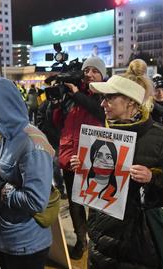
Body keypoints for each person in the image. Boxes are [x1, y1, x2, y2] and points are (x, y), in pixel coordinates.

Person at [71, 61, 163, 268]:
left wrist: (153, 178)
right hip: (100, 239)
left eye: (110, 98)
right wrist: (83, 166)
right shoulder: (100, 134)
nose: (103, 104)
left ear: (131, 102)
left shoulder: (162, 138)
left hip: (139, 246)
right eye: (102, 98)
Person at [0, 77, 53, 269]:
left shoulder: (32, 142)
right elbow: (1, 170)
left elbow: (36, 201)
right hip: (5, 239)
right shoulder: (6, 135)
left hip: (24, 246)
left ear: (1, 110)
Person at [52, 56, 107, 259]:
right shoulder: (73, 93)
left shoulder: (105, 93)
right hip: (70, 157)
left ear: (102, 74)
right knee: (75, 203)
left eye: (94, 71)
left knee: (95, 202)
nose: (89, 75)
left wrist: (76, 95)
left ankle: (96, 240)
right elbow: (58, 123)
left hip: (94, 157)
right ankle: (81, 240)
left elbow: (100, 113)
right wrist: (56, 104)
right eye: (87, 71)